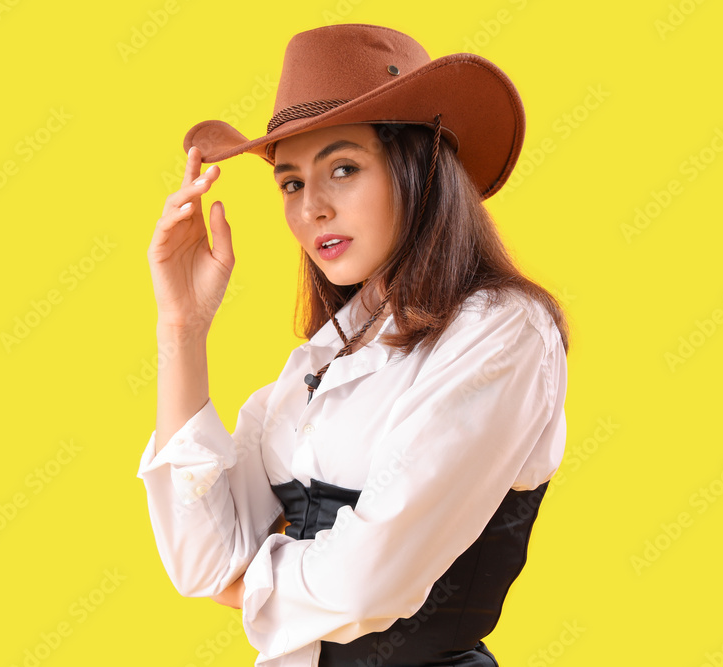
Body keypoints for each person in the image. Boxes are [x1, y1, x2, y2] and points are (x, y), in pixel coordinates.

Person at [138, 23, 569, 667]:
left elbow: (370, 583)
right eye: (290, 182)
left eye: (342, 168)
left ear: (418, 170)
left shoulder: (504, 330)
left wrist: (246, 582)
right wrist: (183, 328)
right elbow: (200, 559)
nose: (311, 207)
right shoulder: (328, 351)